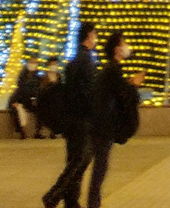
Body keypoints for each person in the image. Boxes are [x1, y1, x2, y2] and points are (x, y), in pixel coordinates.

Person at [86, 31, 145, 208]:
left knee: (98, 166)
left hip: (102, 126)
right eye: (124, 43)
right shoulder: (112, 69)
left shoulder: (111, 69)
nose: (127, 46)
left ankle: (92, 202)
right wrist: (133, 84)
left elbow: (118, 89)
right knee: (99, 167)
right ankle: (92, 203)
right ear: (117, 49)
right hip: (103, 127)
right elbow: (122, 95)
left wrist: (130, 83)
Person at [43, 23, 99, 208]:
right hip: (82, 119)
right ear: (89, 36)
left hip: (71, 119)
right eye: (95, 35)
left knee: (74, 159)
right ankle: (54, 195)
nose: (96, 39)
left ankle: (71, 201)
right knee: (81, 160)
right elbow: (88, 93)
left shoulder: (74, 62)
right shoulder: (87, 61)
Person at [8, 57, 40, 139]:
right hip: (21, 99)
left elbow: (37, 89)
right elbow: (20, 89)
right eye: (32, 62)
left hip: (30, 100)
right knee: (17, 110)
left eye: (35, 63)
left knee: (41, 109)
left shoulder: (37, 77)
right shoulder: (23, 75)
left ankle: (38, 132)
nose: (34, 65)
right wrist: (15, 101)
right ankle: (21, 132)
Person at [35, 57, 63, 140]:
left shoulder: (59, 76)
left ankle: (54, 132)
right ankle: (41, 131)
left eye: (55, 64)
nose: (54, 66)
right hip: (46, 100)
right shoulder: (44, 77)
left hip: (56, 100)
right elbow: (41, 89)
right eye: (52, 64)